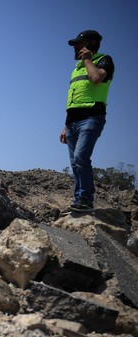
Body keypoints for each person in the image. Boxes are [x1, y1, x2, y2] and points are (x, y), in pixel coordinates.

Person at [60, 30, 115, 212]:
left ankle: (86, 199)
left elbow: (96, 78)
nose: (75, 47)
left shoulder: (104, 60)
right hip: (73, 121)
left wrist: (88, 59)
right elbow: (73, 99)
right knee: (75, 163)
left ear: (90, 44)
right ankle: (78, 201)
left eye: (78, 43)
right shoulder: (76, 69)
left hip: (92, 118)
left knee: (80, 158)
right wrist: (65, 126)